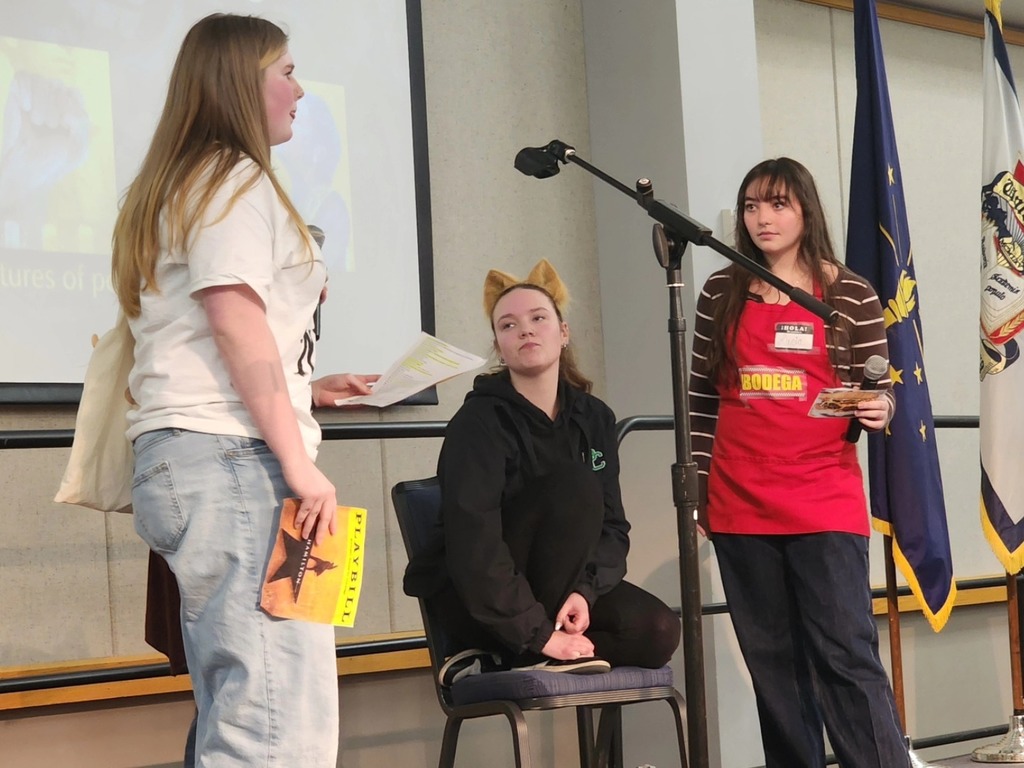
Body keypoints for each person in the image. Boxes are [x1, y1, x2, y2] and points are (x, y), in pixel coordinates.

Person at [111, 14, 376, 767]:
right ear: (240, 82)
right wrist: (299, 465)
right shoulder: (230, 176)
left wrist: (306, 390)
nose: (300, 89)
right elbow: (233, 321)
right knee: (274, 730)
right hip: (235, 465)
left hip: (206, 455)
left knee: (246, 713)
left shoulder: (186, 179)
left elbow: (209, 334)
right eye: (286, 71)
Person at [688, 157, 910, 768]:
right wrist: (698, 491)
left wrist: (880, 407)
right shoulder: (719, 291)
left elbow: (880, 383)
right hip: (738, 501)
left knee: (845, 653)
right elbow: (702, 399)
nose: (763, 218)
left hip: (822, 496)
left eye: (778, 204)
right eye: (752, 207)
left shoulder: (851, 292)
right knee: (774, 668)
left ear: (806, 210)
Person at [404, 259, 680, 684]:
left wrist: (584, 593)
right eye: (509, 325)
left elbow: (613, 527)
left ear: (563, 332)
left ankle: (542, 654)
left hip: (562, 593)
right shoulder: (478, 422)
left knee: (658, 631)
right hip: (483, 601)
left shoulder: (594, 418)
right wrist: (537, 633)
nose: (526, 330)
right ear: (499, 345)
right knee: (573, 484)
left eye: (538, 318)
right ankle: (522, 649)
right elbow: (473, 543)